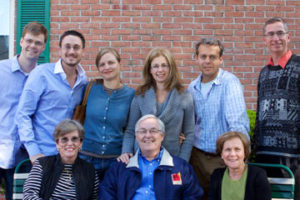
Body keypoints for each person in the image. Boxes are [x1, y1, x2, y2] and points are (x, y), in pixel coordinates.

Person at [188, 38, 249, 199]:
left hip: (222, 159)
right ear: (196, 58)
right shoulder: (192, 87)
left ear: (220, 59)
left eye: (213, 57)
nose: (207, 61)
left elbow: (238, 125)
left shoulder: (230, 83)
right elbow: (191, 123)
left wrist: (235, 155)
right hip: (198, 158)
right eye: (203, 56)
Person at [16, 30, 87, 164]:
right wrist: (34, 151)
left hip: (69, 155)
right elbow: (23, 114)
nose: (71, 51)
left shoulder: (83, 81)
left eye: (76, 47)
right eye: (67, 46)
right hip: (42, 155)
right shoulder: (41, 74)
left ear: (82, 51)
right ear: (60, 50)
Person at [100, 114, 203, 200]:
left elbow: (194, 196)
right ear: (136, 136)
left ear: (162, 136)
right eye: (142, 131)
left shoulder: (181, 167)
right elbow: (106, 194)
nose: (148, 135)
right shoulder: (120, 167)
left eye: (153, 131)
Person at [119, 48, 195, 163]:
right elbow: (130, 130)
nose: (160, 70)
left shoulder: (184, 96)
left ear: (171, 68)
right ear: (150, 69)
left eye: (164, 65)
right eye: (155, 66)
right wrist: (126, 151)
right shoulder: (140, 95)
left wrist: (182, 161)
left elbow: (189, 134)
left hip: (172, 158)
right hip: (142, 158)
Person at [0, 22, 48, 200]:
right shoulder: (1, 70)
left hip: (25, 154)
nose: (32, 46)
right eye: (29, 40)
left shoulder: (44, 77)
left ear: (43, 47)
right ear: (21, 41)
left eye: (38, 42)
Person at [254, 17, 300, 199]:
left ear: (288, 37)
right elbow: (259, 113)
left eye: (280, 33)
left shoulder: (298, 65)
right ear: (265, 39)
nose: (276, 38)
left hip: (293, 158)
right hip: (263, 157)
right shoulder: (263, 73)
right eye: (271, 34)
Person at [79, 48, 135, 181]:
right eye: (102, 64)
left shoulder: (131, 95)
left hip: (115, 160)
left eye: (111, 62)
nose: (107, 67)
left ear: (119, 64)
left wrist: (126, 152)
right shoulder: (89, 88)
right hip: (86, 157)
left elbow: (131, 129)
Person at [23, 119, 99, 199]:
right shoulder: (42, 164)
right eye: (64, 139)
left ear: (80, 143)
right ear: (57, 143)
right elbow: (29, 195)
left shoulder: (89, 170)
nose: (70, 143)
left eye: (74, 139)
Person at [208, 131, 271, 200]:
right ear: (222, 154)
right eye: (227, 150)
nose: (232, 154)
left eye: (237, 149)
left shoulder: (258, 175)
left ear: (245, 153)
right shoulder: (216, 175)